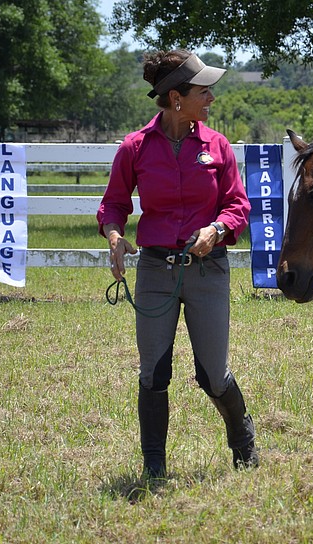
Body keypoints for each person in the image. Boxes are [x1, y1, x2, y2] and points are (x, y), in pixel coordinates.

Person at [97, 49, 257, 478]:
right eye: (204, 91)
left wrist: (217, 230)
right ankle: (154, 467)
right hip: (154, 270)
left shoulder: (217, 145)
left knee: (213, 376)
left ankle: (242, 438)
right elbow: (113, 204)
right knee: (153, 372)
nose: (211, 99)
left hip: (209, 270)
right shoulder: (134, 147)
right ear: (175, 99)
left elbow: (237, 205)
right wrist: (114, 235)